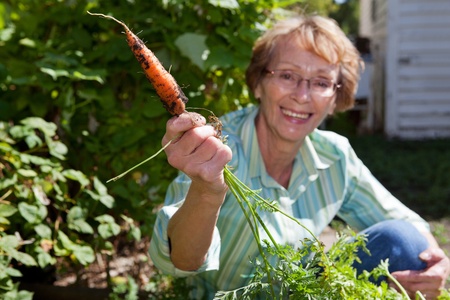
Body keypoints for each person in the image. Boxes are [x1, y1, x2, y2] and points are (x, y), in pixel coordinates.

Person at [149, 15, 449, 299]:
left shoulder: (333, 155)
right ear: (257, 83)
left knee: (405, 240)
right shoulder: (217, 150)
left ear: (335, 99)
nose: (302, 95)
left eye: (320, 82)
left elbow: (405, 222)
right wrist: (207, 190)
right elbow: (181, 260)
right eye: (288, 75)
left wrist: (438, 264)